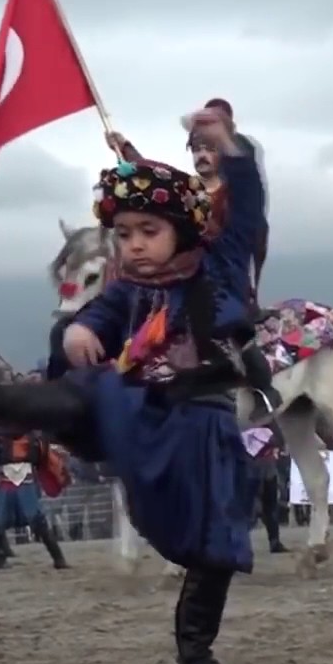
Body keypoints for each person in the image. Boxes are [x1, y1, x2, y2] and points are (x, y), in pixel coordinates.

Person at [0, 108, 259, 664]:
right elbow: (97, 318)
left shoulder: (219, 268)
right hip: (139, 415)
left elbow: (247, 207)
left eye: (148, 232)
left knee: (214, 552)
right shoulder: (129, 291)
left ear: (182, 231)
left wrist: (227, 146)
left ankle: (196, 656)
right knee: (91, 389)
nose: (133, 246)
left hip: (201, 427)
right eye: (125, 234)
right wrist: (81, 331)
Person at [107, 99, 281, 422]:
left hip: (224, 277)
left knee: (224, 316)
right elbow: (157, 179)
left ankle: (261, 388)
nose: (201, 155)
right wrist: (126, 151)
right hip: (182, 277)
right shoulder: (187, 193)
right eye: (196, 148)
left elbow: (245, 233)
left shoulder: (236, 194)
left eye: (209, 148)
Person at [0, 427, 70, 574]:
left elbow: (47, 458)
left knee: (38, 521)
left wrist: (61, 474)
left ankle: (59, 559)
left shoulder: (33, 439)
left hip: (24, 480)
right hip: (6, 481)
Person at [241, 425, 287, 553]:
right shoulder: (245, 428)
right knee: (250, 510)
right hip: (253, 473)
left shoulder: (267, 431)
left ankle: (274, 541)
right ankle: (243, 543)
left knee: (270, 508)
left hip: (264, 472)